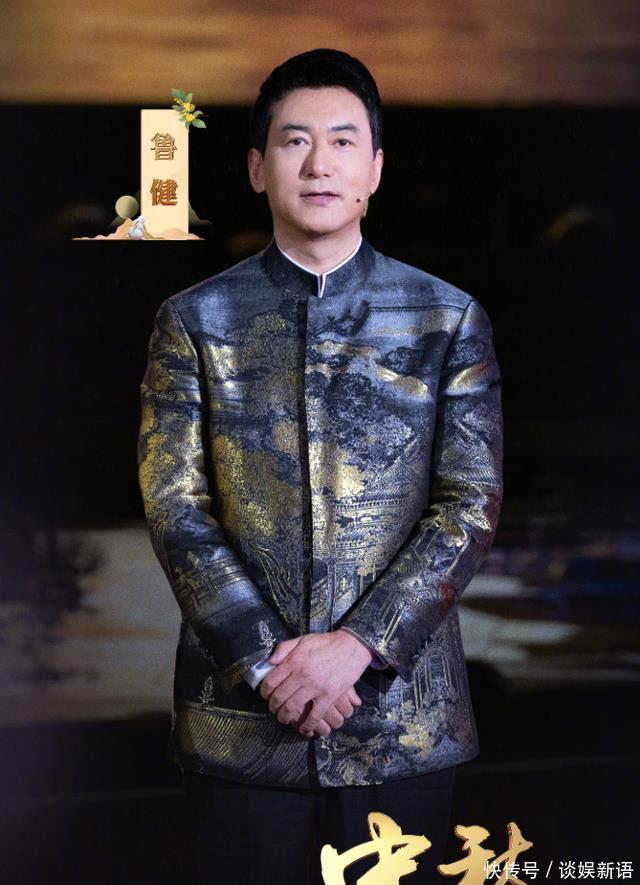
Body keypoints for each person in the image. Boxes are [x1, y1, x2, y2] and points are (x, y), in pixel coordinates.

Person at [137, 47, 503, 885]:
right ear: (257, 167)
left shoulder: (447, 318)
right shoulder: (194, 320)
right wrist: (270, 663)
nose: (318, 163)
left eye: (342, 141)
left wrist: (359, 647)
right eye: (295, 141)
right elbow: (174, 505)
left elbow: (469, 501)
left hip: (403, 722)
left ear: (374, 169)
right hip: (240, 724)